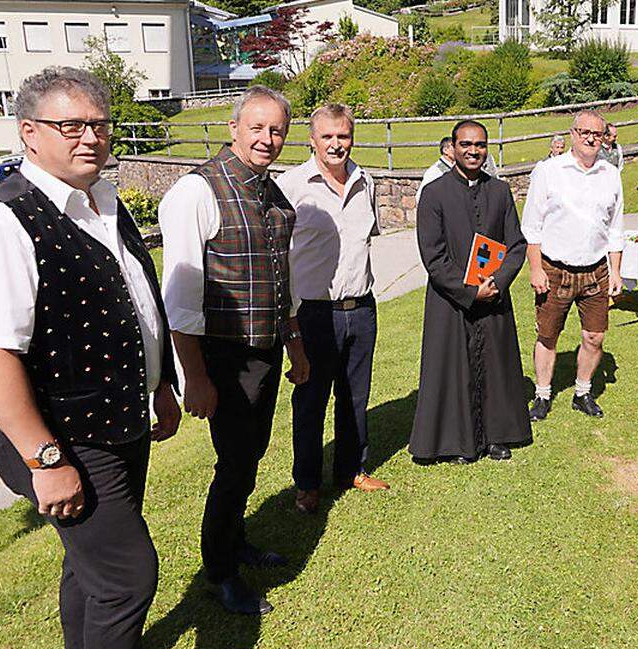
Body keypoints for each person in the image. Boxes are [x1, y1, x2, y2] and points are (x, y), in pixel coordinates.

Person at [0, 67, 180, 649]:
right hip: (63, 439)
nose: (90, 138)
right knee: (126, 580)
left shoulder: (103, 203)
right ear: (28, 133)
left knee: (92, 571)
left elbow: (135, 305)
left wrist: (161, 387)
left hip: (118, 425)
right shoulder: (2, 223)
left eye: (99, 125)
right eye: (71, 125)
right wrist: (45, 462)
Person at [159, 85, 310, 616]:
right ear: (234, 129)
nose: (268, 139)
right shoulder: (196, 192)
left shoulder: (269, 191)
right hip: (224, 357)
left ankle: (236, 542)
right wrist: (193, 377)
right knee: (235, 463)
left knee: (250, 455)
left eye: (277, 131)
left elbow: (280, 276)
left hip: (266, 351)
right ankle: (220, 571)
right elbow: (180, 297)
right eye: (258, 128)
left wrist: (293, 344)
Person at [277, 104, 389, 516]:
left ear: (352, 137)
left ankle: (350, 470)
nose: (336, 144)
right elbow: (280, 257)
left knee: (354, 396)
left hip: (361, 308)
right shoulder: (290, 187)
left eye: (343, 136)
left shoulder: (366, 181)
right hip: (313, 314)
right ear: (312, 139)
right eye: (328, 136)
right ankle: (307, 484)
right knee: (310, 400)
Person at [410, 120, 532, 463]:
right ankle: (458, 441)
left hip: (493, 296)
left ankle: (496, 436)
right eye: (466, 144)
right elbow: (433, 255)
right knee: (453, 368)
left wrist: (497, 283)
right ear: (453, 147)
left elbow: (517, 245)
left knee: (495, 366)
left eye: (479, 145)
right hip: (450, 301)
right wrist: (467, 291)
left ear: (487, 148)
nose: (473, 151)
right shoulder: (434, 193)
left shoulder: (500, 192)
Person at [522, 109, 625, 421]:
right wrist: (536, 268)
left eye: (598, 133)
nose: (591, 138)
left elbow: (615, 228)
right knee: (548, 336)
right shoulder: (549, 171)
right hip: (555, 270)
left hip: (596, 270)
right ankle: (542, 395)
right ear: (572, 134)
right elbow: (532, 226)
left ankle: (582, 391)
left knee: (595, 337)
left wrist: (616, 271)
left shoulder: (611, 174)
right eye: (584, 132)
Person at [417, 136, 454, 203]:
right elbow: (420, 196)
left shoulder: (455, 168)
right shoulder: (435, 171)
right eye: (454, 147)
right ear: (445, 150)